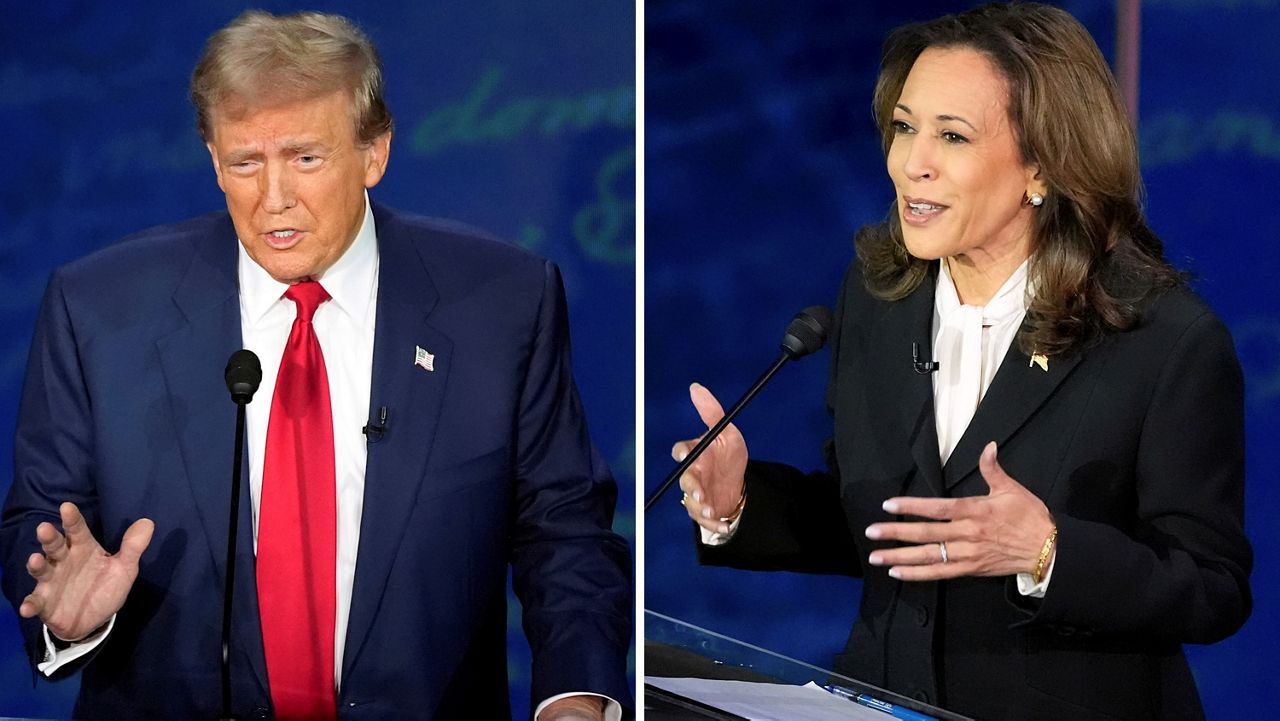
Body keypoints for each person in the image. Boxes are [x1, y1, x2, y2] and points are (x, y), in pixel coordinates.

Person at [0, 11, 630, 721]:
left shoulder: (501, 302)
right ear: (213, 159)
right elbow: (44, 521)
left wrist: (574, 697)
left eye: (305, 158)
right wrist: (64, 613)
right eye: (245, 162)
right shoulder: (98, 310)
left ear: (374, 152)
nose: (274, 200)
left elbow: (565, 529)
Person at [671, 4, 1250, 720]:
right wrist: (738, 503)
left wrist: (1046, 553)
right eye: (905, 126)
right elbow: (887, 521)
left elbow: (1213, 586)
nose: (911, 162)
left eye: (952, 135)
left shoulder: (1163, 340)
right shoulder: (879, 296)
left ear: (1043, 165)